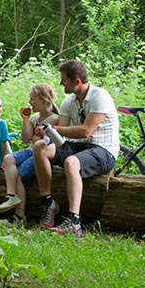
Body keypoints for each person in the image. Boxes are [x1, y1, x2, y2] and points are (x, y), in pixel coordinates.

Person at [32, 59, 119, 236]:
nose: (60, 83)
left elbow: (86, 131)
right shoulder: (69, 102)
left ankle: (74, 220)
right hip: (80, 147)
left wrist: (54, 129)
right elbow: (62, 134)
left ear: (76, 81)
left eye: (64, 80)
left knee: (71, 162)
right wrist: (47, 132)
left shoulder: (100, 97)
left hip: (103, 149)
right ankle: (48, 204)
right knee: (40, 147)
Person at [0, 84, 59, 225]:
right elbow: (25, 139)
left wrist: (34, 136)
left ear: (44, 100)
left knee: (19, 176)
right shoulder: (34, 118)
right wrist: (26, 120)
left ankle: (19, 217)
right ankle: (11, 195)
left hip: (41, 153)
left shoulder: (54, 119)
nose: (30, 102)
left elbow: (43, 142)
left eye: (32, 99)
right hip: (31, 150)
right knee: (8, 158)